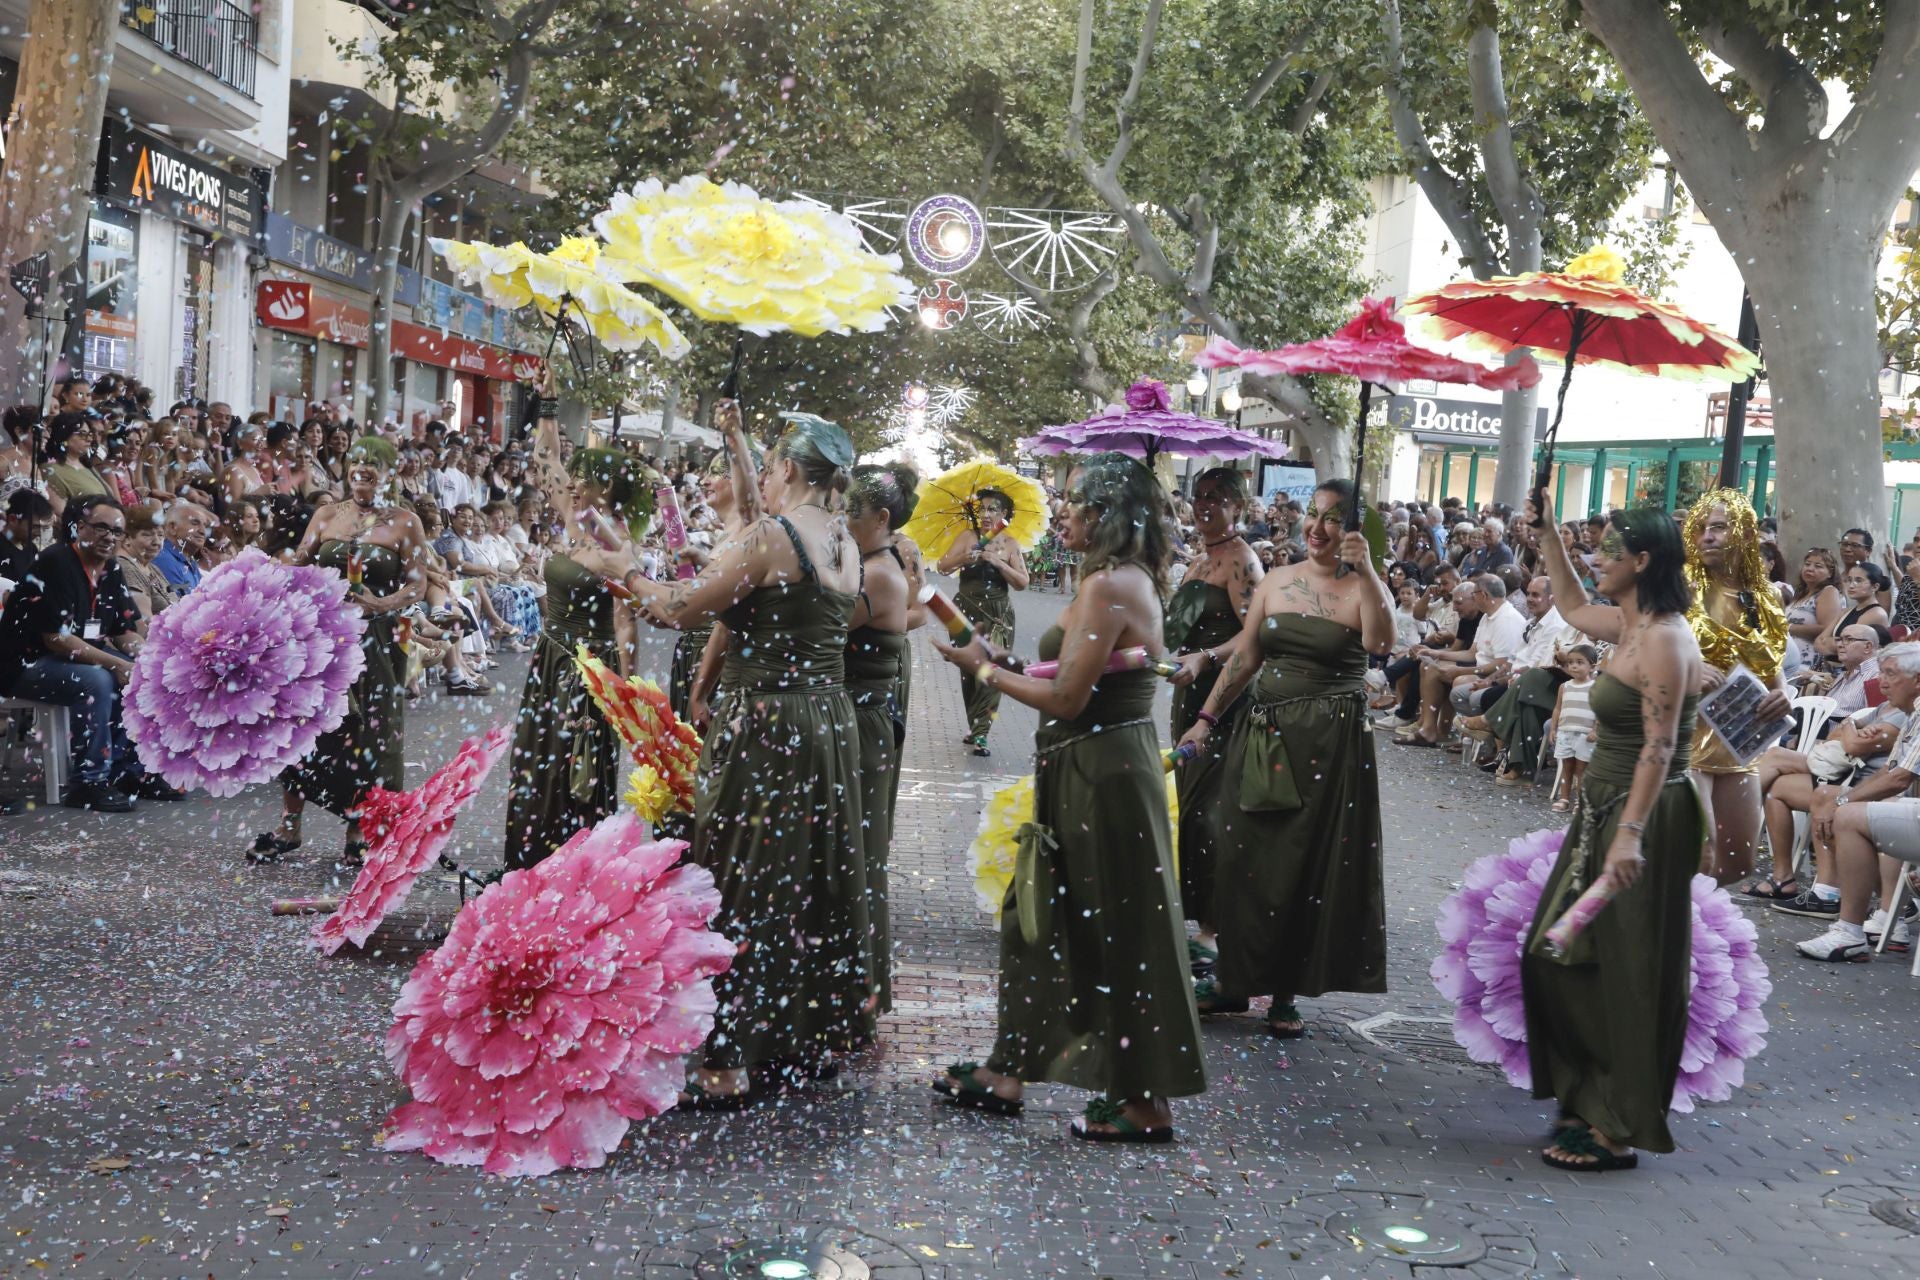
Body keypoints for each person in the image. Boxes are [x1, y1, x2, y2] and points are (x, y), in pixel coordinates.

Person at [931, 453, 1204, 1142]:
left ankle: (1144, 1101)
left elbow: (1068, 698)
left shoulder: (1112, 585)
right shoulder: (1108, 581)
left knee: (1114, 930)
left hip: (1104, 777)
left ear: (1109, 516)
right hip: (1085, 768)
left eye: (1077, 501)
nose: (1063, 509)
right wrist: (999, 656)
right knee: (1042, 916)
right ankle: (1009, 1068)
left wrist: (985, 670)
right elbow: (1063, 672)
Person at [621, 409, 871, 1108]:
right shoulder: (843, 539)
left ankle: (729, 1059)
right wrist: (735, 439)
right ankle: (804, 1038)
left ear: (788, 468)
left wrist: (627, 574)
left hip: (765, 724)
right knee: (810, 876)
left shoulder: (771, 537)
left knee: (741, 873)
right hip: (827, 721)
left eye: (770, 463)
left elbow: (680, 608)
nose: (763, 473)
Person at [1523, 498, 1705, 1172]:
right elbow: (1570, 604)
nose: (1598, 558)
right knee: (1557, 953)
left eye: (1608, 550)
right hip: (1603, 809)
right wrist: (1548, 535)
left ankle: (1617, 1123)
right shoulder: (1626, 623)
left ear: (1643, 561)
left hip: (1644, 817)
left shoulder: (1662, 637)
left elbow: (1659, 749)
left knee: (1629, 968)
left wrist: (1630, 834)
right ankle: (1589, 1094)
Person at [1177, 478, 1395, 1040]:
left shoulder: (1362, 589)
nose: (1316, 528)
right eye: (1313, 515)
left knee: (1302, 865)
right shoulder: (1276, 579)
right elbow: (1246, 655)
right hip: (1264, 732)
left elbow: (1381, 640)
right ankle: (1232, 977)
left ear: (1352, 531)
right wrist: (1205, 719)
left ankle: (1284, 993)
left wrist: (1367, 570)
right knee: (1240, 848)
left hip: (1328, 743)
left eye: (1332, 519)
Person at [250, 438, 429, 865]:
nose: (363, 468)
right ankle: (289, 827)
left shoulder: (406, 522)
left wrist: (380, 604)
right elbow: (301, 561)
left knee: (370, 731)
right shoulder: (328, 513)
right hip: (323, 638)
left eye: (374, 463)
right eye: (357, 462)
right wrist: (268, 567)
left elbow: (417, 585)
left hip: (379, 640)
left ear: (390, 472)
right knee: (308, 725)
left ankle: (358, 828)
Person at [501, 371, 645, 872]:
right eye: (577, 477)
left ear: (609, 489)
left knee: (574, 760)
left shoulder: (616, 542)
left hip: (588, 665)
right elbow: (546, 460)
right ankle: (532, 857)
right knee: (539, 755)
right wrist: (548, 398)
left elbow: (626, 621)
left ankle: (574, 863)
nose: (574, 484)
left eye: (586, 479)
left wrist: (623, 686)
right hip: (550, 656)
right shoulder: (579, 520)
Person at [0, 496, 179, 810]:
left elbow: (124, 629)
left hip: (74, 657)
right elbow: (56, 638)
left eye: (117, 532)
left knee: (145, 674)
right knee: (96, 680)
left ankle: (132, 772)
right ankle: (89, 782)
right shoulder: (55, 562)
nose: (109, 537)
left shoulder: (110, 567)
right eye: (101, 528)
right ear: (79, 527)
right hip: (24, 663)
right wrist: (115, 664)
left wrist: (144, 658)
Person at [1164, 467, 1262, 971]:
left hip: (1222, 703)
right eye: (1199, 496)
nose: (1204, 505)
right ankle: (1199, 919)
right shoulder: (1197, 558)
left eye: (1217, 498)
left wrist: (1206, 658)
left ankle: (1213, 929)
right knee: (1191, 810)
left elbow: (1255, 639)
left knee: (1210, 816)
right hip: (1184, 694)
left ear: (1238, 507)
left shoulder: (1243, 560)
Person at [1683, 489, 1790, 886]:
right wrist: (1689, 669)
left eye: (1719, 527)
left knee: (1737, 864)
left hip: (1738, 739)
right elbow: (1636, 648)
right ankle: (1675, 937)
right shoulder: (1680, 586)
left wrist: (1783, 693)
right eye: (1701, 529)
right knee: (1700, 852)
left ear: (1743, 533)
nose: (1708, 536)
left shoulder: (1765, 597)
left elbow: (1771, 667)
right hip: (1682, 737)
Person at [1790, 642, 1920, 960]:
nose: (1881, 683)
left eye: (1890, 674)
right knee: (1846, 803)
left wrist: (1843, 802)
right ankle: (1883, 917)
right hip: (1909, 807)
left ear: (1917, 680)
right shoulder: (1913, 712)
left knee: (1850, 815)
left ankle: (1850, 930)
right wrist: (1840, 799)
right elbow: (1892, 773)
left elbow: (1900, 778)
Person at [843, 461, 917, 1016]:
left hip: (862, 726)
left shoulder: (880, 572)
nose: (843, 521)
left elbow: (821, 623)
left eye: (852, 512)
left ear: (883, 518)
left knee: (858, 859)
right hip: (855, 720)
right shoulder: (864, 561)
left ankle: (857, 993)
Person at [936, 488, 1029, 756]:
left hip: (997, 616)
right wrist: (967, 557)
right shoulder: (968, 537)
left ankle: (981, 733)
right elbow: (943, 566)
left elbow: (1023, 582)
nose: (986, 515)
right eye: (982, 509)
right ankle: (974, 725)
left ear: (1004, 515)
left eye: (992, 510)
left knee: (991, 670)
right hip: (963, 611)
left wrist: (998, 563)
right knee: (969, 670)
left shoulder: (1010, 544)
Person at [1547, 645, 1600, 812]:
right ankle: (1564, 798)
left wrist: (1595, 730)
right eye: (1570, 663)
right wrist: (1553, 729)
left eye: (1579, 662)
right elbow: (1557, 708)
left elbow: (1599, 710)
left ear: (1592, 666)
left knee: (1581, 770)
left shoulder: (1595, 688)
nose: (1574, 666)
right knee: (1566, 767)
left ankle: (1580, 800)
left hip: (1585, 735)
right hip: (1565, 732)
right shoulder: (1565, 687)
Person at [1811, 562, 1890, 662]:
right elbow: (1818, 642)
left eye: (1858, 580)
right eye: (1849, 580)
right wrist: (1837, 643)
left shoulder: (1877, 613)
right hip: (1831, 667)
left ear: (1875, 587)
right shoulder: (1845, 612)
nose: (1851, 585)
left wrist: (1830, 642)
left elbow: (1850, 647)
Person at [116, 503, 177, 626]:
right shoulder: (125, 567)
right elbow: (146, 623)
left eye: (160, 535)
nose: (156, 542)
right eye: (147, 534)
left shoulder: (153, 568)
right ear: (127, 538)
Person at [42, 413, 110, 519]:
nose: (89, 439)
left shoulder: (87, 466)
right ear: (64, 435)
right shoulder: (50, 469)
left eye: (90, 434)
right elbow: (62, 515)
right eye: (82, 434)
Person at [1785, 547, 1844, 665]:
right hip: (1788, 658)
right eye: (1807, 564)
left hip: (1808, 660)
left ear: (1830, 573)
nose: (1810, 568)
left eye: (1818, 566)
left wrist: (1788, 628)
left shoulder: (1829, 592)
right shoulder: (1801, 593)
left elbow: (1827, 629)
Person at [0, 488, 52, 586]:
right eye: (34, 527)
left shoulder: (31, 549)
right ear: (12, 519)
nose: (39, 533)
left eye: (43, 528)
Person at [155, 502, 210, 594]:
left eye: (205, 526)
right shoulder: (164, 560)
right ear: (173, 528)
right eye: (195, 523)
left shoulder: (190, 561)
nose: (203, 531)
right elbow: (177, 606)